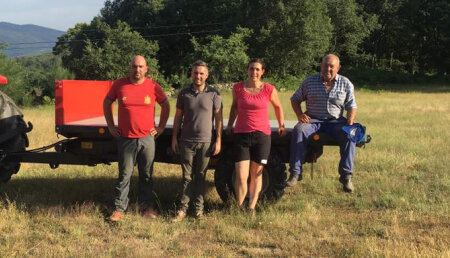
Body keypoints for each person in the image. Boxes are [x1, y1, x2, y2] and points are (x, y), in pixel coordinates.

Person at [103, 55, 170, 221]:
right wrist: (111, 126)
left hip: (147, 138)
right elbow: (107, 102)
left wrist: (160, 127)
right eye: (134, 66)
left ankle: (146, 207)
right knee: (124, 175)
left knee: (146, 175)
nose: (137, 70)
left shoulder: (153, 86)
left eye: (140, 67)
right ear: (129, 67)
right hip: (126, 138)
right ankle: (119, 208)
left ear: (146, 69)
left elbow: (166, 105)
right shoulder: (120, 84)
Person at [287, 54, 357, 192]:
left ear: (338, 68)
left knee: (351, 134)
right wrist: (300, 115)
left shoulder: (346, 83)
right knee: (299, 130)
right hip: (313, 120)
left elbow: (351, 105)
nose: (328, 69)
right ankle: (295, 172)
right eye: (326, 65)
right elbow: (295, 99)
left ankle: (346, 176)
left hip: (336, 121)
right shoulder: (309, 81)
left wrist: (350, 119)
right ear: (321, 66)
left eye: (332, 66)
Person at [226, 58, 285, 213]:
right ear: (247, 70)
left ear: (262, 71)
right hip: (241, 135)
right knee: (241, 175)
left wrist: (281, 125)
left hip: (262, 136)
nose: (254, 72)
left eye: (258, 69)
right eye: (252, 69)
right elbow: (234, 107)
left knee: (257, 174)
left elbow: (278, 107)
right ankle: (239, 207)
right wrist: (230, 124)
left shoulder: (269, 89)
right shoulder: (238, 88)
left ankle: (251, 207)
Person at [171, 60, 223, 221]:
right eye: (195, 73)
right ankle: (182, 209)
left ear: (207, 75)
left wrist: (219, 140)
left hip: (206, 141)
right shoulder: (183, 93)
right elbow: (178, 117)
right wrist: (174, 138)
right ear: (191, 74)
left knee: (201, 176)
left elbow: (219, 119)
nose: (198, 76)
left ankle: (199, 210)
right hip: (186, 140)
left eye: (201, 73)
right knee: (186, 177)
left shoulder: (214, 94)